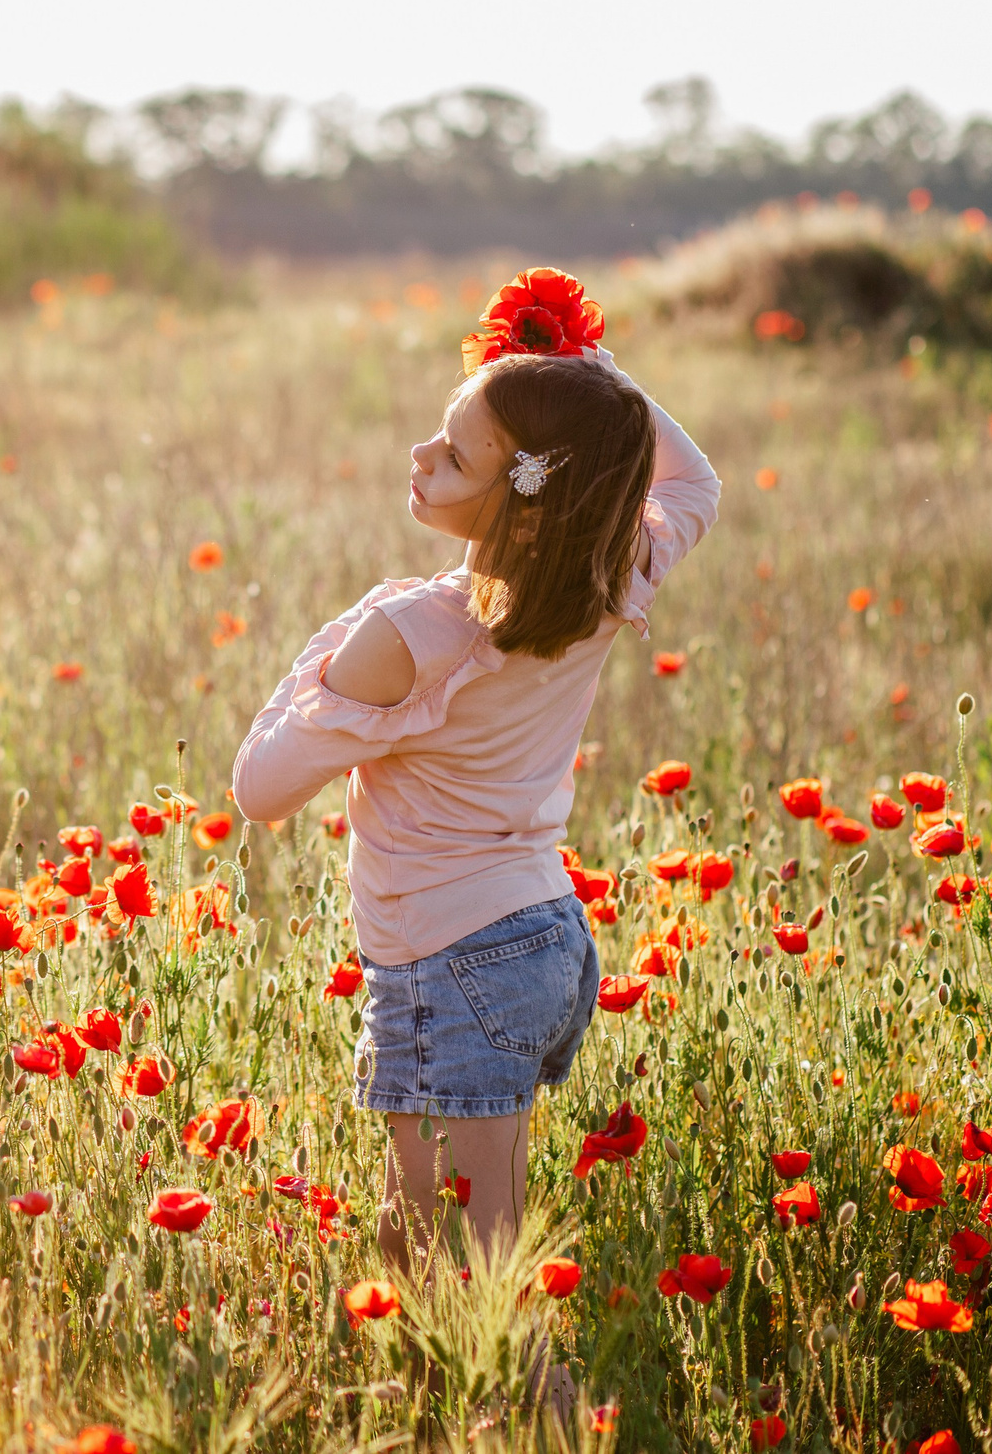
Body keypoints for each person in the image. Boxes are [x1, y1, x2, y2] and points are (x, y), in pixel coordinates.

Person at [231, 268, 719, 1282]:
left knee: (453, 1250)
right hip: (544, 942)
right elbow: (691, 483)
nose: (419, 457)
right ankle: (464, 1409)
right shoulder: (605, 579)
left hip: (447, 962)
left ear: (526, 496)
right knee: (437, 1230)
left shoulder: (414, 633)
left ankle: (532, 1413)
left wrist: (328, 655)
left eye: (452, 457)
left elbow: (261, 788)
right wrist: (597, 387)